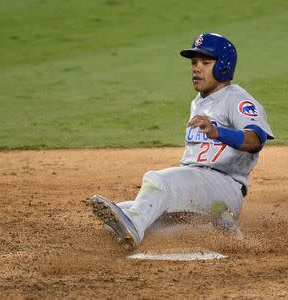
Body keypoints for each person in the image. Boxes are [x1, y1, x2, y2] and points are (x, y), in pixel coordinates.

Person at [90, 33, 274, 250]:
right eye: (194, 63)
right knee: (122, 214)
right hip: (202, 188)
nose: (196, 68)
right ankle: (213, 226)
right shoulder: (198, 103)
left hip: (223, 184)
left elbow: (255, 139)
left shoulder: (237, 99)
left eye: (205, 62)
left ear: (223, 67)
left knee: (158, 182)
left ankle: (136, 229)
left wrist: (218, 132)